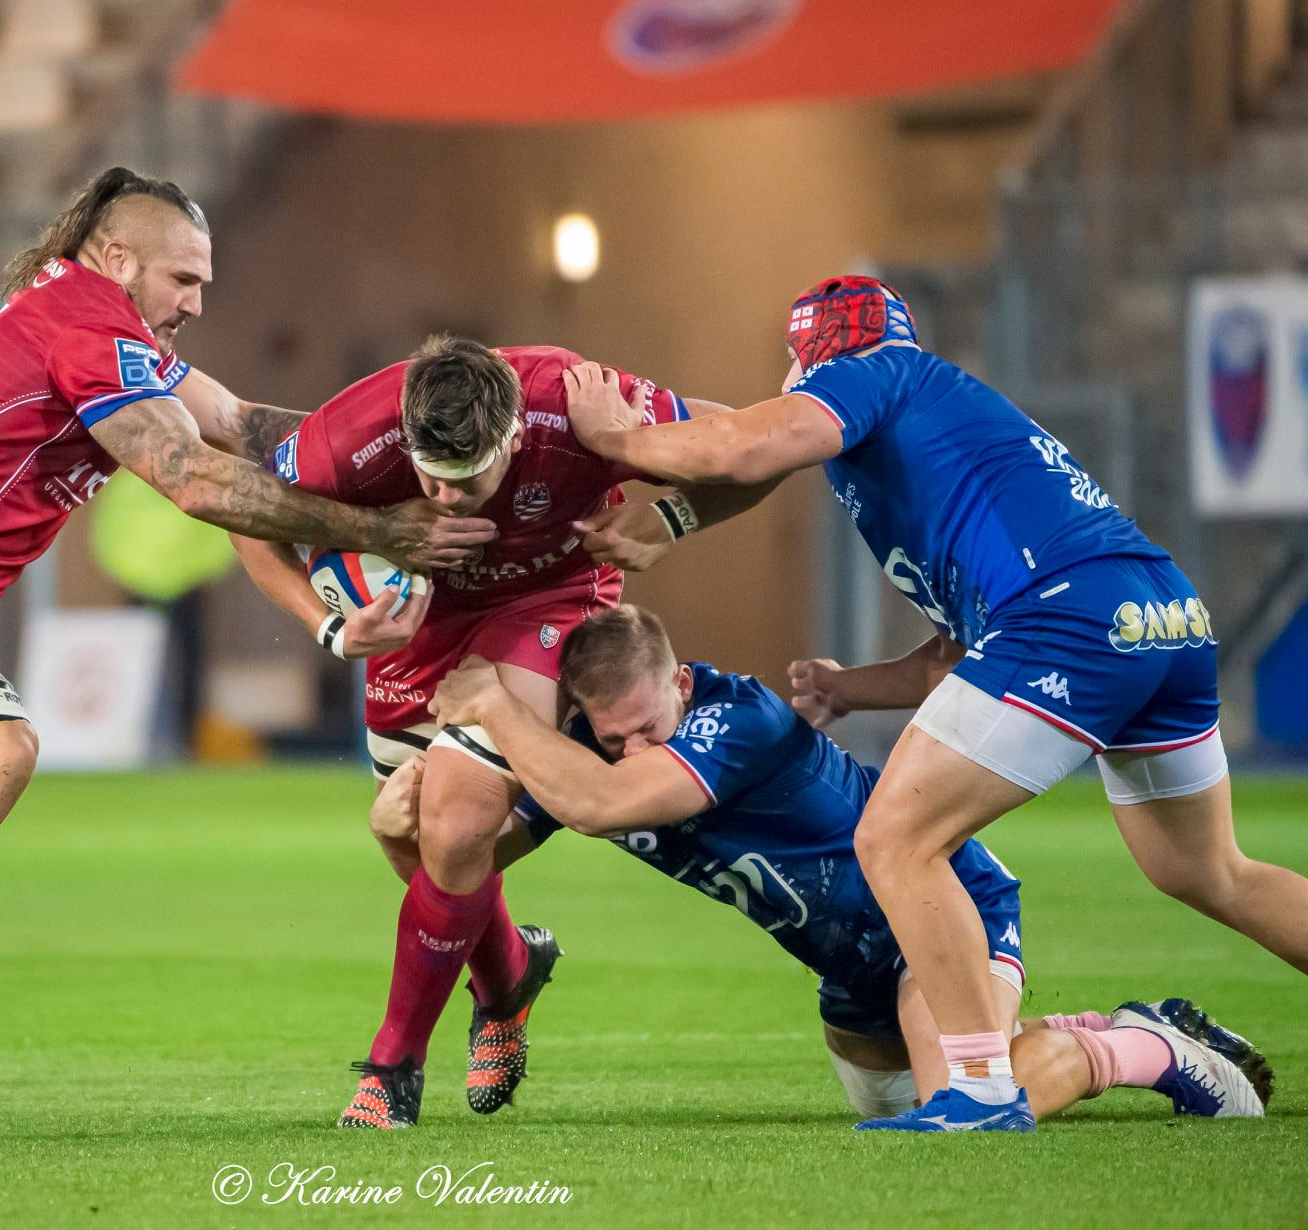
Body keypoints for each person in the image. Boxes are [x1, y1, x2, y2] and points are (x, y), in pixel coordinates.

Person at [0, 167, 497, 1136]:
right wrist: (382, 535)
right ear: (116, 261)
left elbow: (245, 427)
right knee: (2, 749)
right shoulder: (86, 328)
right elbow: (195, 481)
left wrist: (396, 447)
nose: (198, 303)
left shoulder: (105, 327)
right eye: (183, 280)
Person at [561, 275, 1308, 1131]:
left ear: (806, 358)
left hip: (1070, 615)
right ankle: (1081, 1059)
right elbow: (959, 656)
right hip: (1159, 612)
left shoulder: (868, 374)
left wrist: (619, 437)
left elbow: (742, 450)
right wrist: (851, 687)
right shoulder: (935, 426)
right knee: (1208, 871)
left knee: (895, 835)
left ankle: (985, 1091)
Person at [420, 604, 1271, 1127]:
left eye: (651, 726)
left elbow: (598, 805)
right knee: (896, 1108)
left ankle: (1149, 1052)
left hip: (936, 909)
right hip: (848, 973)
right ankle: (1100, 1025)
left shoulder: (738, 720)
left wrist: (494, 703)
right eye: (614, 740)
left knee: (975, 1105)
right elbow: (473, 857)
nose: (636, 749)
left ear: (681, 682)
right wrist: (416, 820)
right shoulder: (584, 757)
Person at [234, 335, 754, 1128]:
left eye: (466, 480)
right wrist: (332, 629)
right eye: (430, 479)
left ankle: (392, 1071)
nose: (444, 499)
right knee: (408, 836)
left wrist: (674, 515)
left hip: (547, 605)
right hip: (420, 624)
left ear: (514, 436)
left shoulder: (574, 403)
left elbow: (749, 446)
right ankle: (509, 978)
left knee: (458, 817)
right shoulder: (355, 433)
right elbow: (245, 514)